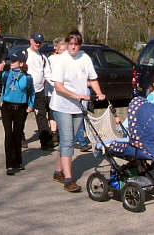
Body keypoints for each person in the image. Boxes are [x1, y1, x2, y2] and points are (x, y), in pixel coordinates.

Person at [50, 30, 105, 192]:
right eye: (71, 43)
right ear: (67, 44)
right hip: (62, 105)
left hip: (78, 107)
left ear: (80, 45)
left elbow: (93, 79)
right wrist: (77, 95)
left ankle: (57, 172)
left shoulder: (85, 58)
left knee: (70, 141)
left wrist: (99, 92)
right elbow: (58, 87)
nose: (73, 47)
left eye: (76, 44)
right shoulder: (61, 60)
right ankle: (68, 179)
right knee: (67, 141)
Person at [1, 51, 35, 175]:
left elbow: (32, 92)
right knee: (8, 134)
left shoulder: (27, 77)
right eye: (10, 60)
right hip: (7, 107)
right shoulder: (5, 74)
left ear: (21, 63)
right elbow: (4, 88)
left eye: (14, 61)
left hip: (21, 108)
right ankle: (9, 164)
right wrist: (1, 100)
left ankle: (18, 161)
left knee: (18, 134)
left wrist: (30, 106)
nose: (11, 63)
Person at [25, 33, 56, 151]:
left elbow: (48, 74)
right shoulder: (25, 54)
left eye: (40, 42)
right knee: (21, 116)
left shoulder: (43, 57)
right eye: (36, 41)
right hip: (25, 91)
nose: (38, 44)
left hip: (39, 91)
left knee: (41, 115)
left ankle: (46, 142)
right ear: (31, 41)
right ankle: (20, 138)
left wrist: (57, 86)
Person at [46, 38, 67, 145]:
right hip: (52, 91)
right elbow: (47, 74)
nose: (64, 51)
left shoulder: (68, 59)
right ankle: (54, 133)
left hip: (64, 92)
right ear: (57, 49)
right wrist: (55, 84)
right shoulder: (51, 59)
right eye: (62, 49)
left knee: (62, 112)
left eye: (65, 49)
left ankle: (61, 133)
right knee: (52, 113)